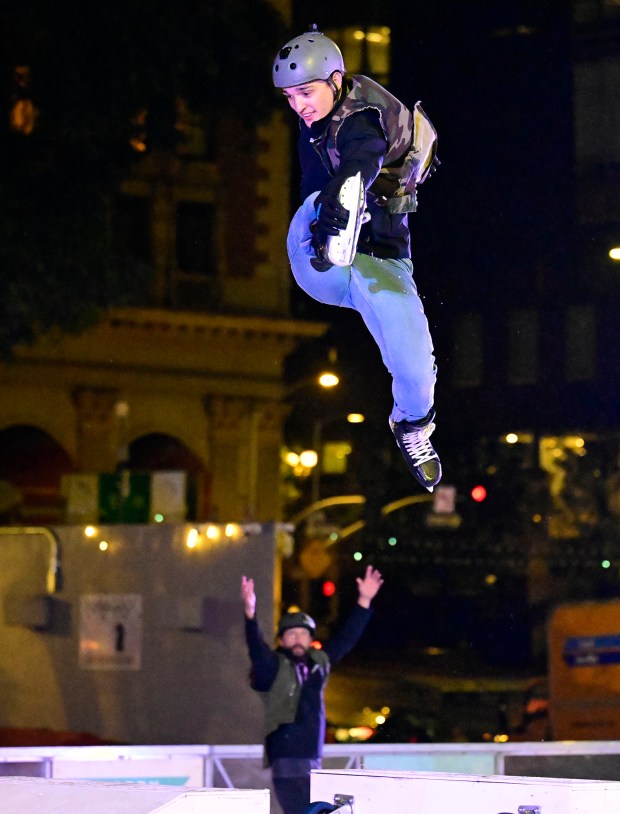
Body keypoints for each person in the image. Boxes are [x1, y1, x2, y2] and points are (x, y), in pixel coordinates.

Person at [273, 26, 442, 492]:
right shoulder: (315, 114)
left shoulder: (361, 119)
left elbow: (362, 156)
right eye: (289, 97)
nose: (299, 106)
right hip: (316, 258)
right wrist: (332, 210)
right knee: (318, 204)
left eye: (305, 93)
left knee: (415, 365)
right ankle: (335, 224)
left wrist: (349, 188)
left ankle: (413, 427)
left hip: (381, 261)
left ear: (335, 80)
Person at [241, 566, 383, 814]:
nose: (297, 639)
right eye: (291, 634)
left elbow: (345, 640)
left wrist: (364, 600)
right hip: (286, 763)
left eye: (303, 634)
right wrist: (250, 615)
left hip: (312, 761)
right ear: (282, 641)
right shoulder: (274, 666)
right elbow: (257, 650)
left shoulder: (319, 665)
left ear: (311, 639)